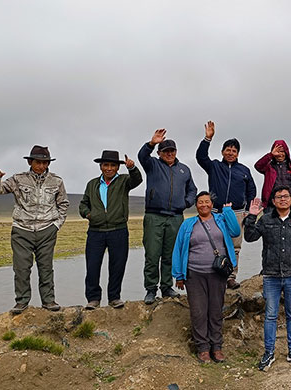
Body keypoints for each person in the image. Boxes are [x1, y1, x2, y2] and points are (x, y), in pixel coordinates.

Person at [0, 145, 69, 314]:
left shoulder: (57, 181)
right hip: (22, 229)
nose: (41, 166)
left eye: (45, 163)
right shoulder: (18, 179)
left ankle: (48, 301)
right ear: (30, 162)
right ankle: (22, 302)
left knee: (46, 267)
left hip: (47, 229)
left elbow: (63, 204)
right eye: (38, 162)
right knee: (21, 268)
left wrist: (56, 225)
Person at [243, 187, 291, 371]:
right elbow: (250, 237)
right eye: (279, 197)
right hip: (271, 275)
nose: (283, 199)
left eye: (286, 196)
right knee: (270, 316)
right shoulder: (266, 219)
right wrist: (251, 216)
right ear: (273, 201)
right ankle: (269, 353)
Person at [172, 192, 240, 363]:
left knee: (216, 310)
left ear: (211, 204)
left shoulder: (221, 220)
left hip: (218, 274)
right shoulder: (188, 224)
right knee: (198, 311)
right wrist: (179, 274)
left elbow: (235, 231)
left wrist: (228, 212)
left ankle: (216, 347)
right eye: (200, 202)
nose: (204, 205)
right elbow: (178, 249)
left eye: (207, 202)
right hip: (194, 274)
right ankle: (202, 348)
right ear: (196, 205)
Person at [138, 129, 197, 304]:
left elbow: (192, 190)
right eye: (166, 151)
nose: (169, 153)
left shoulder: (184, 170)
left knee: (171, 255)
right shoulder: (152, 164)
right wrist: (151, 143)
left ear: (176, 152)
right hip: (154, 216)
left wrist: (186, 203)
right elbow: (142, 156)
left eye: (172, 151)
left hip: (176, 217)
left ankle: (166, 287)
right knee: (152, 254)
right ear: (159, 153)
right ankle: (150, 289)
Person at [79, 150, 143, 310]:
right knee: (92, 266)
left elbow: (137, 180)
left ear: (117, 167)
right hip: (95, 231)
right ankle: (93, 299)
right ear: (101, 166)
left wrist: (132, 168)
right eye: (106, 165)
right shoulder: (92, 184)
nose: (109, 168)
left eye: (113, 165)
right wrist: (88, 214)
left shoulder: (124, 181)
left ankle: (114, 298)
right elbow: (83, 203)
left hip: (118, 230)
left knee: (117, 265)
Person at [196, 121, 256, 290]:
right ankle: (214, 277)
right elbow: (201, 157)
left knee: (235, 247)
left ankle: (231, 277)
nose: (231, 153)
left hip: (237, 213)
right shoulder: (214, 166)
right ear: (222, 151)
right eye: (228, 150)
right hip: (215, 212)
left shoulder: (244, 170)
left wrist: (247, 213)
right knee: (213, 244)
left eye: (234, 151)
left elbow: (251, 190)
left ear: (238, 153)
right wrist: (207, 139)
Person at [254, 140, 291, 213]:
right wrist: (270, 155)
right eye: (277, 152)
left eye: (282, 151)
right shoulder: (268, 167)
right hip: (271, 206)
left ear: (286, 152)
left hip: (290, 206)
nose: (280, 154)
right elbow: (258, 166)